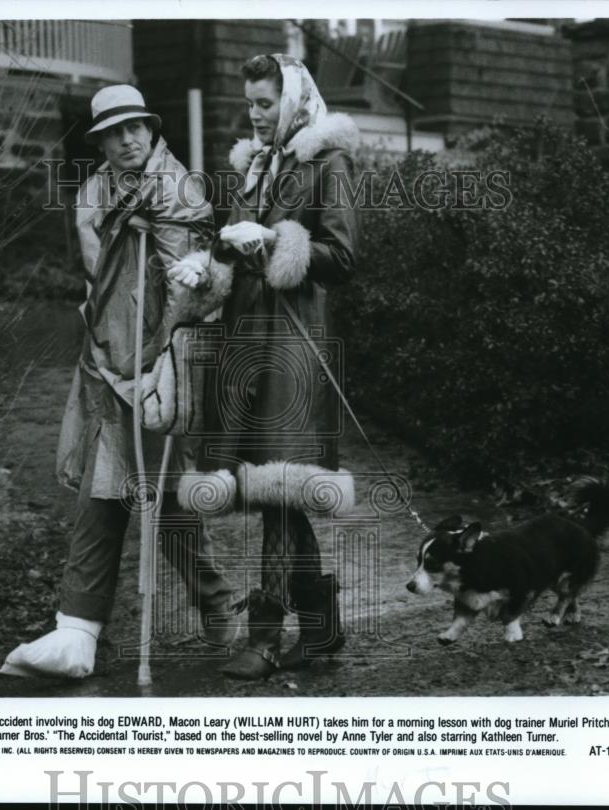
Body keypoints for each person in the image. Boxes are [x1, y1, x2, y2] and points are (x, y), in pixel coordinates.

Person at [0, 85, 236, 679]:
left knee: (152, 495)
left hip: (164, 361)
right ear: (101, 140)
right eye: (115, 131)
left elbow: (193, 290)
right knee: (110, 495)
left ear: (153, 130)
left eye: (138, 127)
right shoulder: (92, 194)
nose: (129, 139)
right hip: (107, 360)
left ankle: (207, 604)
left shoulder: (181, 190)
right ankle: (79, 629)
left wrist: (167, 347)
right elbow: (95, 282)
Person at [168, 55, 360, 679]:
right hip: (247, 338)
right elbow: (235, 243)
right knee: (271, 487)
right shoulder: (256, 164)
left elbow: (343, 254)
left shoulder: (330, 161)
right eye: (249, 103)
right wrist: (208, 266)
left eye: (265, 104)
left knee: (280, 488)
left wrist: (277, 241)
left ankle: (267, 636)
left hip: (297, 344)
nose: (254, 114)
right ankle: (322, 627)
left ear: (296, 100)